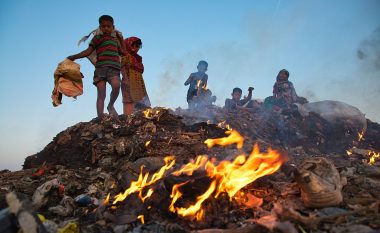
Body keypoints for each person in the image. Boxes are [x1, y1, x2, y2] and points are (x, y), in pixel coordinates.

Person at [67, 15, 124, 119]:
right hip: (100, 69)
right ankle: (100, 116)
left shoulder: (115, 40)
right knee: (101, 95)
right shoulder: (97, 38)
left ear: (113, 27)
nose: (106, 28)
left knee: (116, 86)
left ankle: (111, 105)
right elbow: (88, 51)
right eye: (103, 26)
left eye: (108, 26)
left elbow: (123, 52)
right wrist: (75, 56)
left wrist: (120, 39)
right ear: (100, 27)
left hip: (114, 69)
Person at [121, 37, 151, 115]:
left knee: (143, 104)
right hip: (128, 81)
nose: (136, 48)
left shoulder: (137, 59)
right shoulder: (125, 55)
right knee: (129, 100)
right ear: (128, 45)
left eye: (138, 46)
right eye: (133, 45)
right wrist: (125, 78)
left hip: (139, 85)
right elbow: (122, 66)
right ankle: (128, 120)